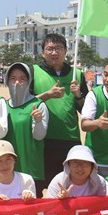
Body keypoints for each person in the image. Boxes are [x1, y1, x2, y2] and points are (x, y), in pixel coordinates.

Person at [32, 34, 87, 185]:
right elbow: (25, 105)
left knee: (69, 184)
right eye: (50, 49)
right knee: (41, 184)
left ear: (65, 51)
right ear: (43, 52)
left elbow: (85, 110)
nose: (54, 52)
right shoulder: (33, 71)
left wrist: (78, 95)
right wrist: (48, 95)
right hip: (41, 139)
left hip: (69, 138)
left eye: (58, 48)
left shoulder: (76, 74)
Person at [3, 62, 48, 190]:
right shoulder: (3, 105)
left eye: (22, 78)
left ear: (29, 81)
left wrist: (38, 121)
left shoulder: (38, 105)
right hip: (7, 171)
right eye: (13, 78)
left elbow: (39, 136)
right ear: (7, 81)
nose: (17, 83)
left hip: (31, 169)